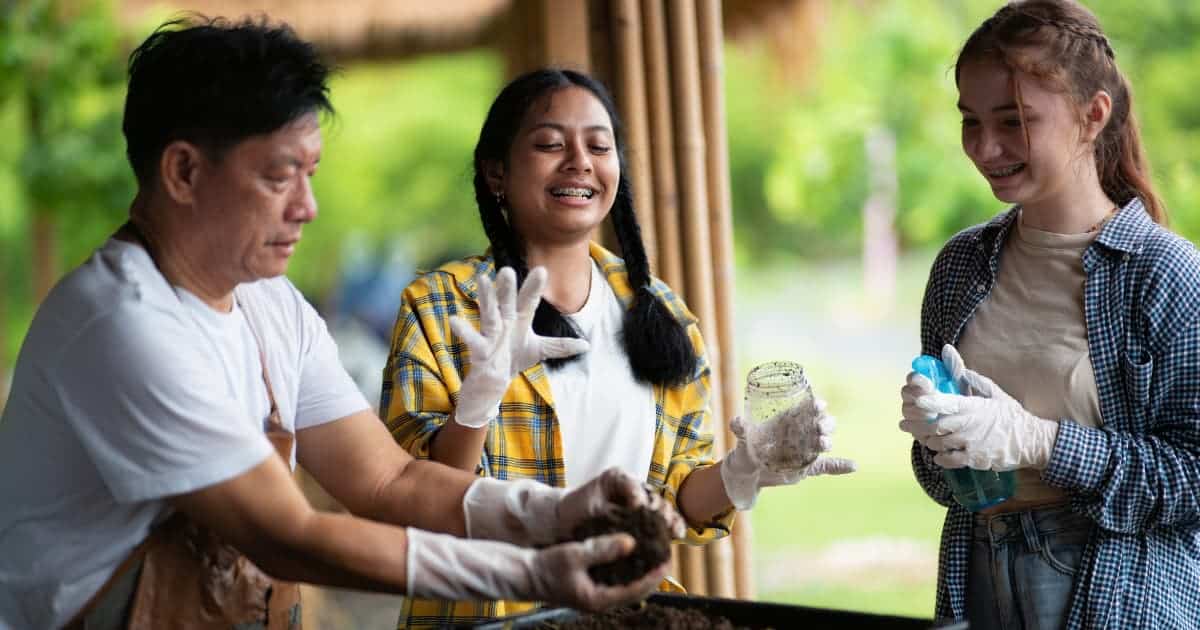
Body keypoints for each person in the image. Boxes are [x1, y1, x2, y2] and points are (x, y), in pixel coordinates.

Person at [0, 17, 681, 630]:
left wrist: (560, 513)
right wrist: (531, 573)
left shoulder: (271, 303)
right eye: (280, 176)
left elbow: (390, 482)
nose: (309, 207)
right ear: (182, 171)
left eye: (312, 173)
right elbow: (287, 535)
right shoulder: (124, 325)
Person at [381, 68, 856, 628]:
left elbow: (676, 502)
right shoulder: (439, 307)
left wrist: (743, 469)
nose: (579, 161)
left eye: (598, 146)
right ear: (496, 173)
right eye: (550, 144)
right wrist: (477, 402)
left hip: (625, 614)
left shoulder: (662, 314)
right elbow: (416, 499)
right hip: (486, 615)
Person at [898, 1, 1200, 627]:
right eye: (971, 121)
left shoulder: (1166, 273)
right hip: (975, 575)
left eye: (1014, 120)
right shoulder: (960, 267)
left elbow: (1193, 479)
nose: (985, 147)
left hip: (1119, 591)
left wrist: (1041, 441)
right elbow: (938, 484)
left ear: (1094, 115)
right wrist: (940, 437)